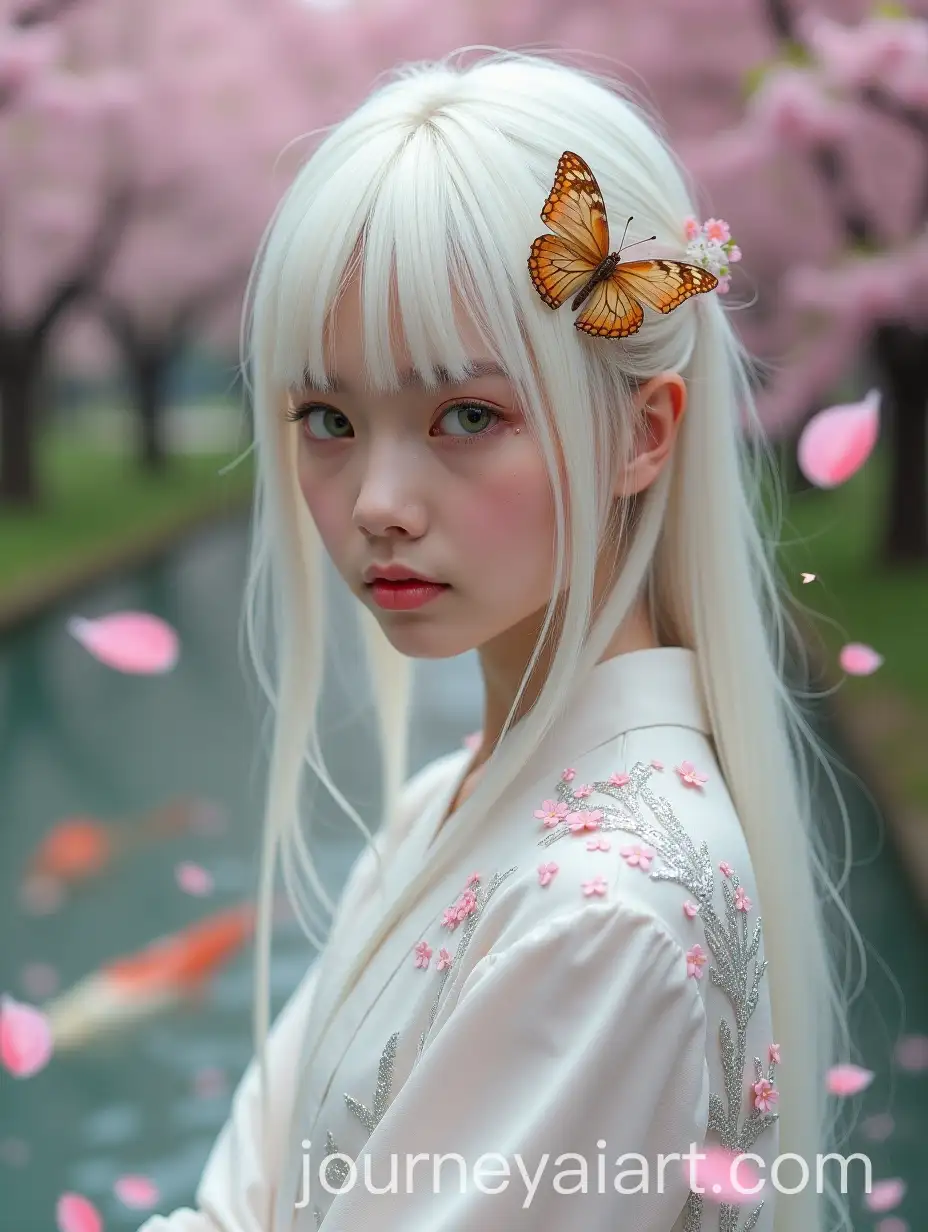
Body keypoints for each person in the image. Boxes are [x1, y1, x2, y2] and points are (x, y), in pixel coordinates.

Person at [141, 47, 857, 1232]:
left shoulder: (605, 910)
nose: (376, 500)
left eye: (465, 414)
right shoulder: (457, 800)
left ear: (641, 432)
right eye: (326, 418)